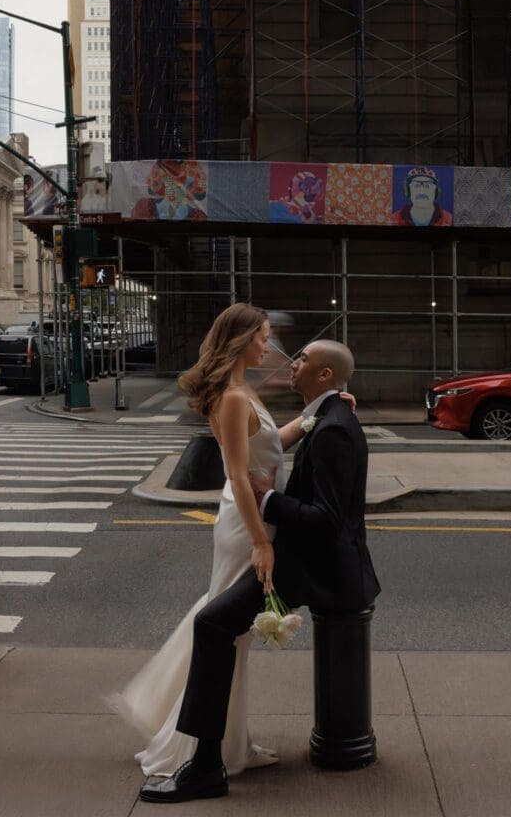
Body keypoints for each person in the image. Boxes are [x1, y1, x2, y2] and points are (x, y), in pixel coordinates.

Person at [138, 330, 380, 804]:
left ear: (325, 375)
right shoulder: (329, 416)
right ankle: (212, 755)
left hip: (318, 565)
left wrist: (267, 497)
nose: (290, 359)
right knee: (215, 623)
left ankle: (206, 767)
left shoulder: (333, 426)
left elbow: (327, 522)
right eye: (268, 339)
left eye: (303, 358)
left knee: (211, 624)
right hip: (314, 556)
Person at [110, 305, 334, 784]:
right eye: (264, 337)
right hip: (246, 522)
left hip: (255, 512)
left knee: (227, 630)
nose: (269, 346)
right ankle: (202, 746)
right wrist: (261, 543)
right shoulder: (233, 398)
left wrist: (322, 410)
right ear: (242, 339)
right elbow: (236, 471)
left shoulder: (242, 390)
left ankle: (229, 740)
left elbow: (271, 444)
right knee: (226, 631)